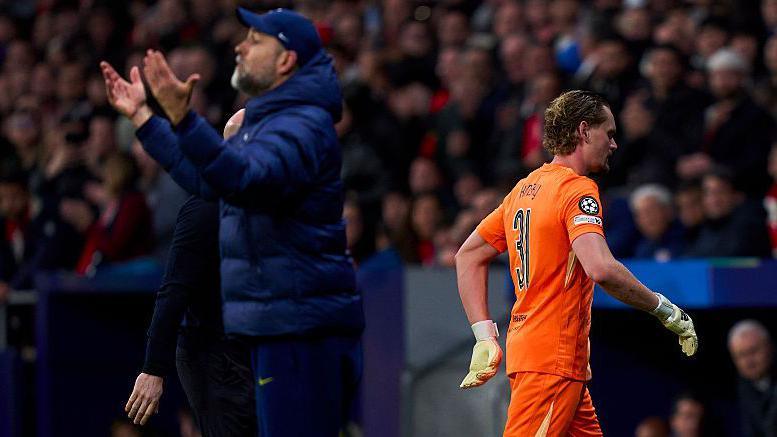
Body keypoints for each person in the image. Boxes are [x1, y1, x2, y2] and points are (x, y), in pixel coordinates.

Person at [101, 7, 363, 436]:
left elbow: (238, 178)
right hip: (277, 329)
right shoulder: (275, 124)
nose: (241, 46)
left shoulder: (299, 126)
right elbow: (209, 184)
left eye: (256, 41)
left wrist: (184, 120)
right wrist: (147, 120)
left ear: (286, 61)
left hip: (299, 332)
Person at [455, 90, 698, 436]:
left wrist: (484, 336)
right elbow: (600, 268)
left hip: (544, 357)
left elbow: (468, 254)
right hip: (552, 362)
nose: (614, 144)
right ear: (584, 131)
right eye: (609, 133)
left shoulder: (525, 189)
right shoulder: (577, 189)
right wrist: (664, 309)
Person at [123, 117, 255, 435]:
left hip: (252, 349)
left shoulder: (265, 203)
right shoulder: (205, 208)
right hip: (214, 355)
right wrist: (153, 368)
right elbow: (174, 290)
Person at [728, 319, 777, 437]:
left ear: (770, 347)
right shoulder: (740, 387)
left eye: (753, 351)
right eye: (741, 355)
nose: (748, 361)